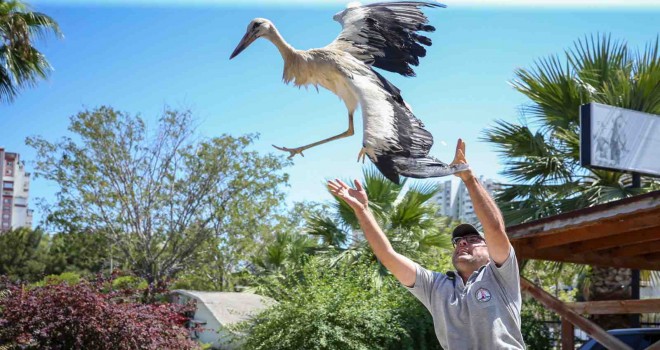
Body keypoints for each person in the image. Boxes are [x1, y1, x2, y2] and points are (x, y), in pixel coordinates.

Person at [327, 139, 525, 349]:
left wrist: (468, 178)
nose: (462, 243)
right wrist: (363, 211)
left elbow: (494, 229)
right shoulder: (435, 287)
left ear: (490, 250)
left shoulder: (501, 276)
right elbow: (387, 255)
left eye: (474, 239)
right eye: (457, 241)